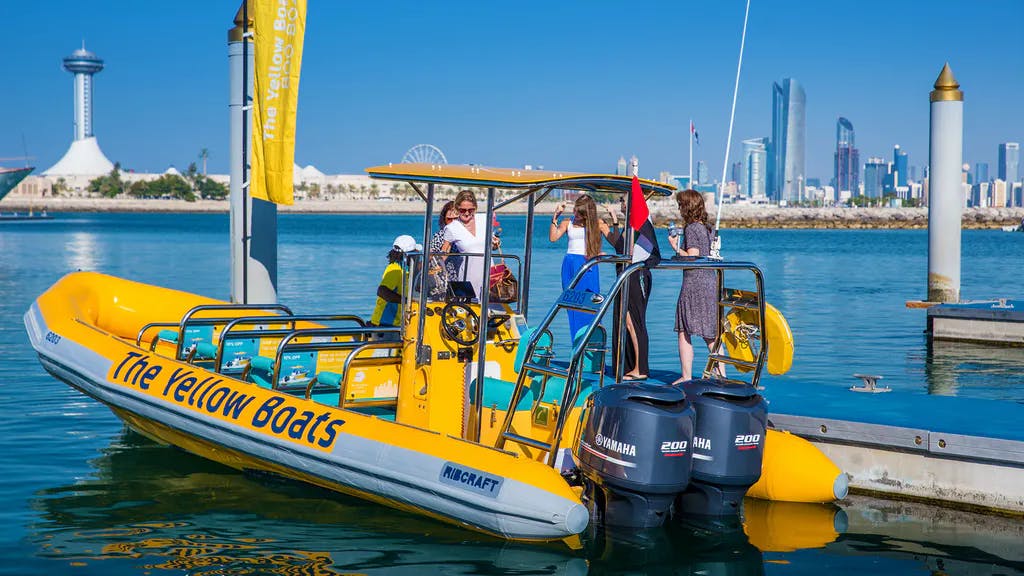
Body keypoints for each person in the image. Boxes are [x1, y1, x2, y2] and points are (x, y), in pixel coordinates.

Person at [604, 193, 660, 381]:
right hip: (627, 274)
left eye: (623, 200)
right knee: (627, 321)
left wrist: (605, 229)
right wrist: (613, 222)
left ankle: (640, 368)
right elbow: (621, 246)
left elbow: (625, 249)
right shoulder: (630, 223)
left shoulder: (639, 222)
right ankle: (630, 364)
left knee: (635, 322)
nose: (621, 202)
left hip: (636, 275)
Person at [668, 189, 720, 383]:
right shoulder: (708, 228)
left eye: (680, 205)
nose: (679, 208)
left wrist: (675, 247)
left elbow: (692, 257)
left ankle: (686, 376)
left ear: (686, 207)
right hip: (710, 280)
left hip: (694, 282)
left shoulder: (691, 228)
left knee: (684, 329)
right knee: (710, 333)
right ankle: (721, 374)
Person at [549, 194, 608, 338]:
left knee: (591, 304)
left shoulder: (597, 224)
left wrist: (602, 253)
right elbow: (553, 238)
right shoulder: (567, 222)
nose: (576, 214)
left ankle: (592, 344)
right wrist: (555, 218)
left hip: (588, 265)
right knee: (572, 305)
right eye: (575, 210)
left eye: (579, 213)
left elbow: (614, 239)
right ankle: (576, 344)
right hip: (570, 264)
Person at [441, 190, 500, 301]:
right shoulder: (452, 228)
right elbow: (444, 252)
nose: (467, 213)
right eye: (463, 210)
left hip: (490, 275)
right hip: (468, 278)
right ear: (457, 208)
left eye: (471, 210)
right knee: (469, 312)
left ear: (475, 208)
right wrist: (433, 267)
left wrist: (496, 244)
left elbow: (492, 245)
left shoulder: (485, 219)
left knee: (493, 311)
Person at [370, 235, 420, 327]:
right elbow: (382, 291)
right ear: (408, 255)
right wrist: (408, 301)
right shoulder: (394, 269)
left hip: (397, 324)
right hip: (386, 324)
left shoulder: (405, 269)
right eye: (414, 253)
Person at [428, 201, 459, 299]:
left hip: (462, 276)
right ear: (444, 219)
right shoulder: (439, 236)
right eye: (449, 219)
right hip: (444, 279)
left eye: (456, 219)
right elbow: (431, 256)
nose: (453, 222)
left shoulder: (466, 237)